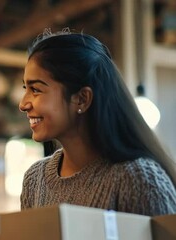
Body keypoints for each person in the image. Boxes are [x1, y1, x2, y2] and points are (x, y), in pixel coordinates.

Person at [19, 28, 176, 216]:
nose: (23, 104)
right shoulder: (34, 181)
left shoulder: (138, 180)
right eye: (25, 88)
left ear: (82, 99)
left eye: (35, 89)